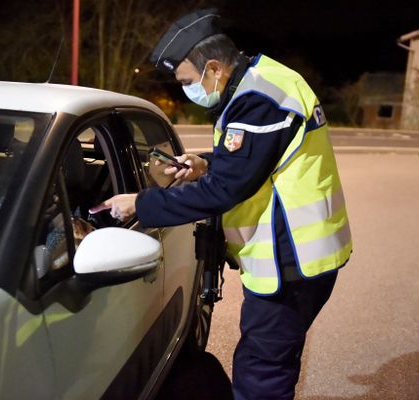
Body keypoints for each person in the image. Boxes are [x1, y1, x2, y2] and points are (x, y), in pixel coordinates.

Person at [90, 8, 352, 400]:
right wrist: (205, 163)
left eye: (187, 82)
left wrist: (140, 204)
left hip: (290, 261)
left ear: (213, 68)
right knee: (267, 363)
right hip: (299, 257)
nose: (186, 91)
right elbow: (257, 159)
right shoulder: (263, 82)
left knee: (262, 375)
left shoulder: (258, 101)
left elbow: (223, 192)